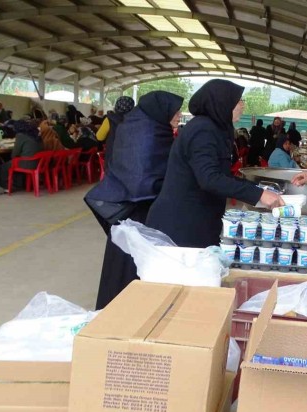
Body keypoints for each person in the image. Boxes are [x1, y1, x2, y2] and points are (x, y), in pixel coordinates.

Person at [147, 79, 284, 249]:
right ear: (222, 103)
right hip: (181, 225)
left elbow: (223, 176)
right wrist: (258, 194)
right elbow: (209, 178)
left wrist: (259, 190)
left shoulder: (215, 128)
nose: (242, 105)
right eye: (238, 101)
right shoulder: (202, 130)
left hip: (196, 221)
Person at [85, 91, 185, 310]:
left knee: (124, 262)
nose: (179, 115)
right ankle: (126, 311)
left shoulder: (141, 126)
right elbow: (141, 176)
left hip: (130, 208)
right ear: (161, 111)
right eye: (175, 111)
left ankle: (123, 308)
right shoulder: (148, 133)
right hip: (137, 209)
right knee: (131, 263)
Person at [0, 119, 44, 193]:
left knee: (3, 167)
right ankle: (18, 185)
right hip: (39, 163)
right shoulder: (36, 135)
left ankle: (5, 186)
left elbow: (14, 154)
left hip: (28, 163)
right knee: (13, 163)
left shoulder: (20, 136)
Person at [96, 96, 135, 163]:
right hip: (130, 159)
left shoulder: (109, 120)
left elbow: (99, 137)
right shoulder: (135, 120)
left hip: (112, 159)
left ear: (117, 106)